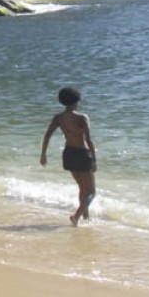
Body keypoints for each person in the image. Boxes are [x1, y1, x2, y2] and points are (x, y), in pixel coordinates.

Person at [40, 86, 98, 225]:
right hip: (82, 154)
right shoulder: (82, 117)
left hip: (69, 154)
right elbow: (88, 140)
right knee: (91, 192)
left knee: (82, 188)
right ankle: (77, 216)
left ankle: (86, 218)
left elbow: (47, 135)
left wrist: (43, 154)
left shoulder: (58, 118)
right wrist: (94, 159)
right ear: (77, 100)